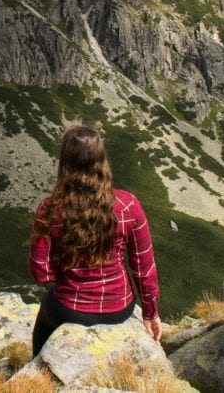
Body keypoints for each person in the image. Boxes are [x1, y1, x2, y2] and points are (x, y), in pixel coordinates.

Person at [28, 124, 161, 356]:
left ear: (65, 163)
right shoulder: (128, 205)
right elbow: (144, 268)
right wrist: (150, 313)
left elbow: (41, 273)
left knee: (45, 313)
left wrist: (65, 274)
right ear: (102, 160)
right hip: (119, 308)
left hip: (69, 308)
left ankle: (39, 370)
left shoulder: (49, 210)